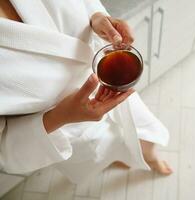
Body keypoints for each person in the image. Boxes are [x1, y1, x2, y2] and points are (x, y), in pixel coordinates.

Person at [0, 0, 172, 183]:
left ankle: (150, 157)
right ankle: (119, 158)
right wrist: (62, 116)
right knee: (100, 155)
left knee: (145, 133)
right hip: (65, 127)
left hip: (110, 81)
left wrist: (96, 17)